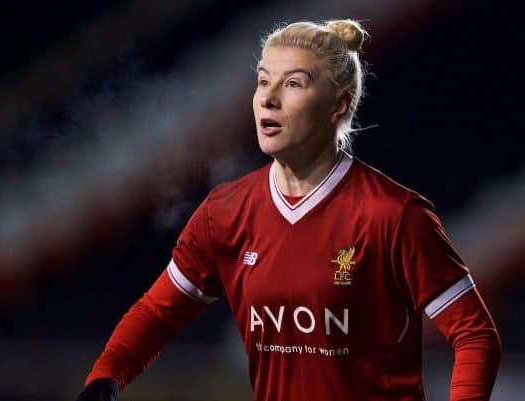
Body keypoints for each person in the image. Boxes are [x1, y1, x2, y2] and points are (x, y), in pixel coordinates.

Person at [75, 19, 501, 401]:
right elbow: (158, 312)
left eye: (293, 84)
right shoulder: (225, 212)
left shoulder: (393, 214)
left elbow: (475, 335)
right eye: (263, 82)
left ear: (338, 105)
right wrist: (107, 376)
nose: (269, 99)